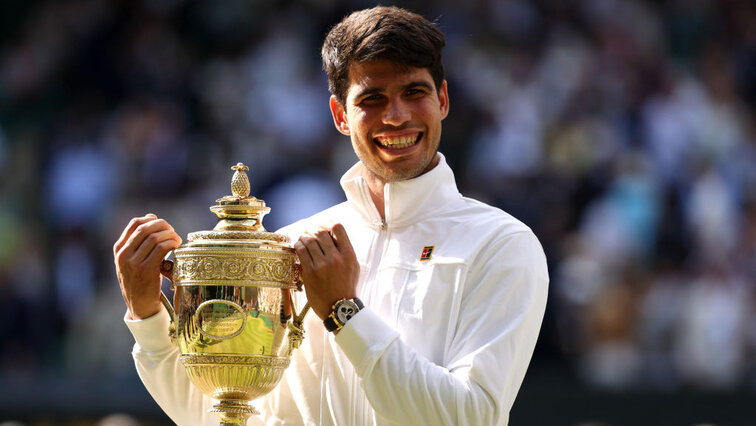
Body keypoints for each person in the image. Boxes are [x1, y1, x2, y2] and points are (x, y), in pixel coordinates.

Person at [113, 6, 548, 425]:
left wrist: (345, 312)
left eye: (414, 92)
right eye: (373, 99)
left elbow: (470, 418)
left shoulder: (501, 244)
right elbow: (222, 414)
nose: (396, 116)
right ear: (340, 115)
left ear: (443, 100)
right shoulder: (288, 247)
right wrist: (148, 315)